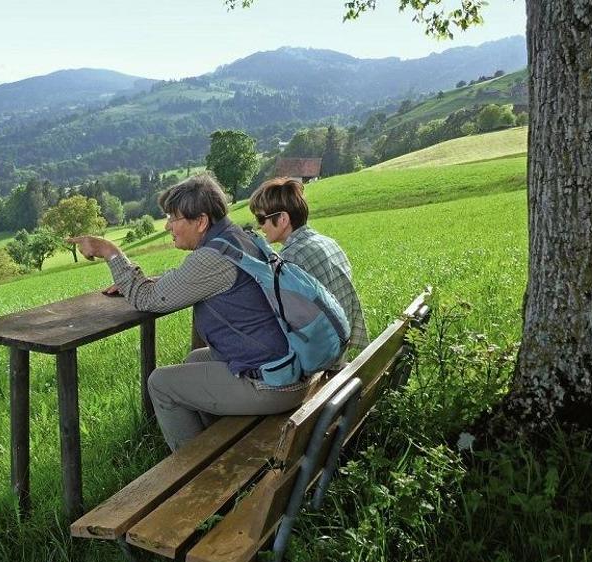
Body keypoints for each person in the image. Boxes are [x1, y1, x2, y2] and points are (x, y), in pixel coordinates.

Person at [68, 174, 315, 452]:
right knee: (194, 360)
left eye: (174, 218)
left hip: (273, 385)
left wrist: (109, 251)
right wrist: (135, 281)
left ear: (201, 221)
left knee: (161, 383)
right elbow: (181, 281)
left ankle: (194, 475)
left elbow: (146, 299)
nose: (168, 226)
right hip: (288, 366)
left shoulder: (213, 257)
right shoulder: (238, 239)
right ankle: (215, 448)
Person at [248, 177, 369, 354]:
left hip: (321, 359)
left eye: (261, 219)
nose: (260, 227)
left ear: (282, 219)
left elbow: (279, 322)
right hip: (340, 349)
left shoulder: (289, 259)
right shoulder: (328, 242)